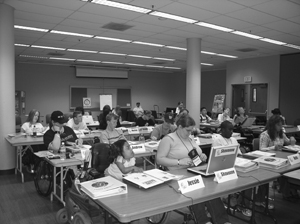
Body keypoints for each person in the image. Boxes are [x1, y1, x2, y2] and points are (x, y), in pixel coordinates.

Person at [156, 115, 230, 224]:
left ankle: (222, 221)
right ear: (180, 127)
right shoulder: (168, 139)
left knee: (211, 191)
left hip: (194, 170)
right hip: (177, 174)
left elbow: (196, 154)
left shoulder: (189, 139)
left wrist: (202, 156)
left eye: (192, 130)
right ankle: (203, 221)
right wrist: (179, 162)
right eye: (188, 130)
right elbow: (159, 159)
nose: (190, 133)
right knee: (196, 190)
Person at [212, 121, 250, 217]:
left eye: (233, 130)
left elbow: (239, 155)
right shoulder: (217, 139)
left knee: (249, 178)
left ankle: (243, 202)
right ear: (223, 130)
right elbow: (218, 157)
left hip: (236, 165)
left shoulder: (233, 139)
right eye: (229, 129)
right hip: (223, 167)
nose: (232, 132)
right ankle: (230, 199)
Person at [258, 115, 297, 209]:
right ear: (273, 125)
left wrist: (291, 140)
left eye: (281, 125)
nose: (281, 127)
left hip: (280, 158)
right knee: (279, 173)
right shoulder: (265, 134)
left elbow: (287, 142)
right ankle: (261, 199)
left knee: (288, 170)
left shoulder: (280, 133)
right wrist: (273, 148)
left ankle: (288, 192)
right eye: (279, 125)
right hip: (268, 160)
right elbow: (261, 149)